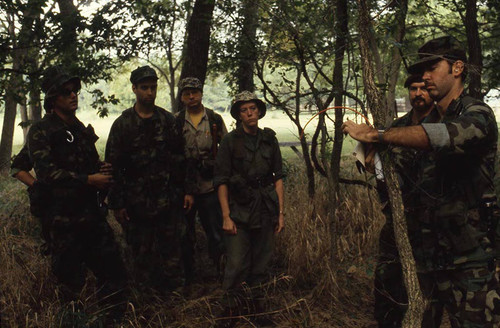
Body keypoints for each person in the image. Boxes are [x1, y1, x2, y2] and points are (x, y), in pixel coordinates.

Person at [342, 36, 500, 327]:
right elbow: (400, 184)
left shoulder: (477, 114)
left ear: (457, 68)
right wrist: (375, 159)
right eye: (421, 70)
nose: (425, 76)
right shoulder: (421, 124)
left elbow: (445, 136)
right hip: (424, 259)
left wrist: (378, 135)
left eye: (432, 67)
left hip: (469, 260)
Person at [26, 65, 127, 319]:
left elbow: (86, 164)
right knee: (70, 285)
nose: (74, 95)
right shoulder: (41, 130)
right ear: (53, 98)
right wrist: (89, 179)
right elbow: (48, 175)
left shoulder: (79, 128)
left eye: (75, 91)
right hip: (63, 221)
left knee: (114, 274)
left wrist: (100, 169)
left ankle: (113, 321)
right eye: (66, 92)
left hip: (92, 216)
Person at [105, 65, 194, 294]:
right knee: (142, 255)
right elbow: (112, 167)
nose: (150, 93)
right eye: (144, 88)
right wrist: (118, 203)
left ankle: (176, 300)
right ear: (134, 89)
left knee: (172, 253)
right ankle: (147, 303)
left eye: (153, 87)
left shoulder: (167, 121)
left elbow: (181, 159)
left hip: (168, 201)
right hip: (137, 205)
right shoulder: (123, 125)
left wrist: (187, 191)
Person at [372, 75, 443, 327]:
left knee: (427, 291)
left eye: (423, 88)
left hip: (433, 225)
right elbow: (384, 175)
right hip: (399, 220)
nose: (418, 93)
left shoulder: (442, 124)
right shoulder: (396, 127)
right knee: (386, 279)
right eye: (413, 89)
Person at [214, 91, 285, 326]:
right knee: (236, 264)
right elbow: (222, 181)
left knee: (262, 264)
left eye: (253, 108)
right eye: (244, 110)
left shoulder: (269, 139)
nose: (249, 113)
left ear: (259, 111)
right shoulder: (230, 141)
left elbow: (278, 178)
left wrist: (280, 213)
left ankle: (258, 311)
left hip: (265, 207)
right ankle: (230, 312)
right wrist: (226, 216)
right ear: (238, 115)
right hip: (240, 209)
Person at [176, 77, 228, 286]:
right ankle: (188, 278)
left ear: (201, 94)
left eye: (195, 92)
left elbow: (226, 151)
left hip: (209, 187)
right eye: (187, 93)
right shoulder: (177, 121)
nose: (191, 96)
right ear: (182, 97)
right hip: (185, 189)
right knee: (184, 235)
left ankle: (222, 274)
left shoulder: (214, 119)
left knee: (216, 233)